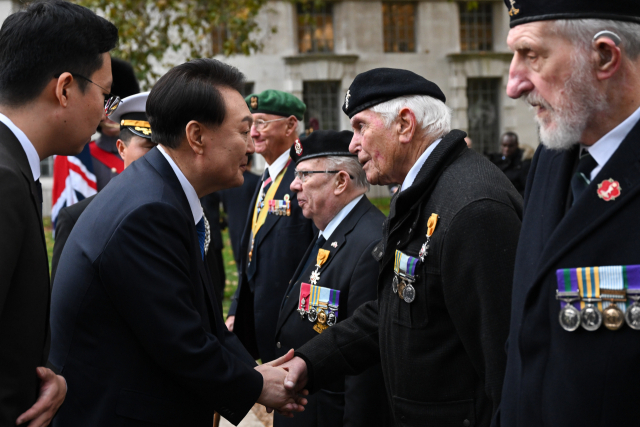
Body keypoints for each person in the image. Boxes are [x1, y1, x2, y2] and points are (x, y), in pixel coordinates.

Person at [49, 59, 306, 426]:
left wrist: (253, 371)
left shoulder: (160, 191)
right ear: (197, 136)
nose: (251, 144)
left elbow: (203, 322)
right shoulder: (150, 210)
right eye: (242, 131)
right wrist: (255, 386)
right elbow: (180, 342)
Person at [280, 68, 524, 427]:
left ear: (405, 125)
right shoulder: (422, 192)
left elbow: (506, 366)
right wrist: (310, 361)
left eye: (361, 126)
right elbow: (394, 308)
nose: (352, 144)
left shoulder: (474, 207)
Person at [494, 2, 640, 426]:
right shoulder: (553, 158)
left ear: (604, 57)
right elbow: (525, 336)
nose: (514, 84)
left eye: (532, 55)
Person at [0, 1, 118, 425]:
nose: (107, 113)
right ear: (65, 88)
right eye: (106, 95)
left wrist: (45, 380)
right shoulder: (4, 177)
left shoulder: (14, 167)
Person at [274, 130, 390, 427]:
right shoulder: (330, 231)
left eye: (304, 174)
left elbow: (366, 363)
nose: (293, 184)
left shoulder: (370, 242)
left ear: (341, 181)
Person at [227, 89, 315, 363]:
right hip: (261, 323)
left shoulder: (305, 176)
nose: (252, 133)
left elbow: (317, 257)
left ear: (291, 125)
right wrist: (235, 308)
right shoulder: (267, 177)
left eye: (262, 123)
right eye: (249, 124)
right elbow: (252, 250)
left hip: (294, 331)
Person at [51, 92, 156, 282]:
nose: (157, 156)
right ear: (121, 148)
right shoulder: (83, 159)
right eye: (149, 146)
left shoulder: (184, 209)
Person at [220, 153, 260, 271]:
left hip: (234, 227)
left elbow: (225, 206)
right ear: (251, 162)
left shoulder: (227, 184)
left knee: (240, 266)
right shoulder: (257, 180)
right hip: (253, 228)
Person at [488, 132, 531, 196]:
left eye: (510, 146)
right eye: (504, 145)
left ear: (516, 145)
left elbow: (527, 189)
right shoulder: (496, 161)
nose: (507, 149)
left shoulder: (524, 164)